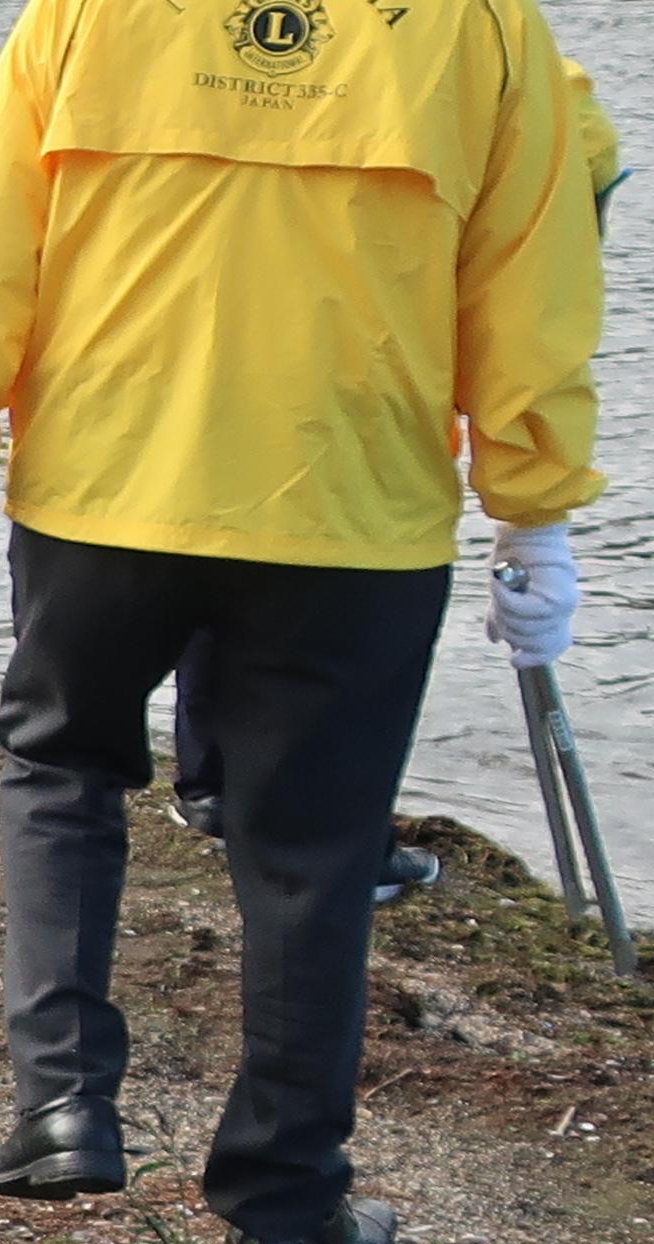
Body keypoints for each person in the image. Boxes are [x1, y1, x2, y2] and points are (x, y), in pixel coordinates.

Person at [0, 0, 604, 1244]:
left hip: (107, 482)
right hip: (347, 509)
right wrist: (534, 511)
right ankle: (283, 1202)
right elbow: (536, 287)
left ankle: (62, 1107)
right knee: (309, 852)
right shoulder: (486, 15)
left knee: (62, 770)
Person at [169, 56, 620, 907]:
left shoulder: (271, 49)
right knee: (340, 619)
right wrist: (533, 509)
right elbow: (535, 304)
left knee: (212, 544)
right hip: (364, 382)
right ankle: (334, 839)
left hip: (226, 351)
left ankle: (217, 787)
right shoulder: (522, 76)